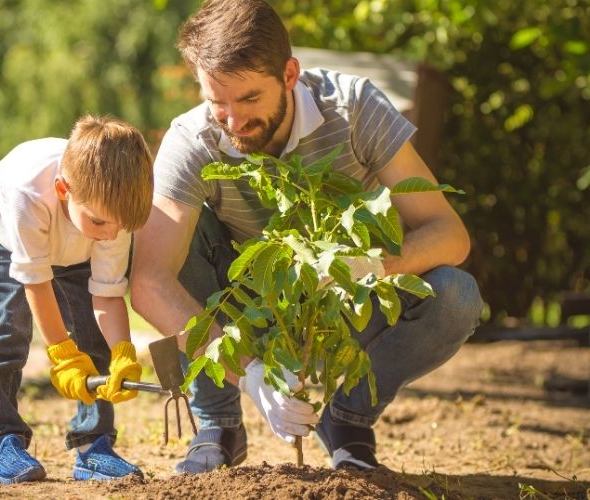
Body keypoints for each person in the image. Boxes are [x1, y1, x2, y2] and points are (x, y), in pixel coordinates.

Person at [131, 0, 483, 474]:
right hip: (244, 308)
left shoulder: (354, 108)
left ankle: (346, 419)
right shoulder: (192, 139)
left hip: (342, 303)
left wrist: (366, 267)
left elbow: (450, 235)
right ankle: (217, 424)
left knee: (457, 296)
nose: (233, 121)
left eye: (250, 99)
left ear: (290, 74)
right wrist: (251, 373)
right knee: (176, 237)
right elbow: (150, 281)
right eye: (218, 102)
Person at [0, 115, 153, 483]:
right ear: (63, 190)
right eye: (102, 223)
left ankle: (93, 445)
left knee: (94, 336)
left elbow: (107, 294)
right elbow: (36, 281)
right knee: (6, 331)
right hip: (3, 238)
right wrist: (63, 354)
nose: (111, 234)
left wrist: (122, 351)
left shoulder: (110, 215)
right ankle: (4, 439)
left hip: (74, 246)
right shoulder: (28, 193)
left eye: (120, 226)